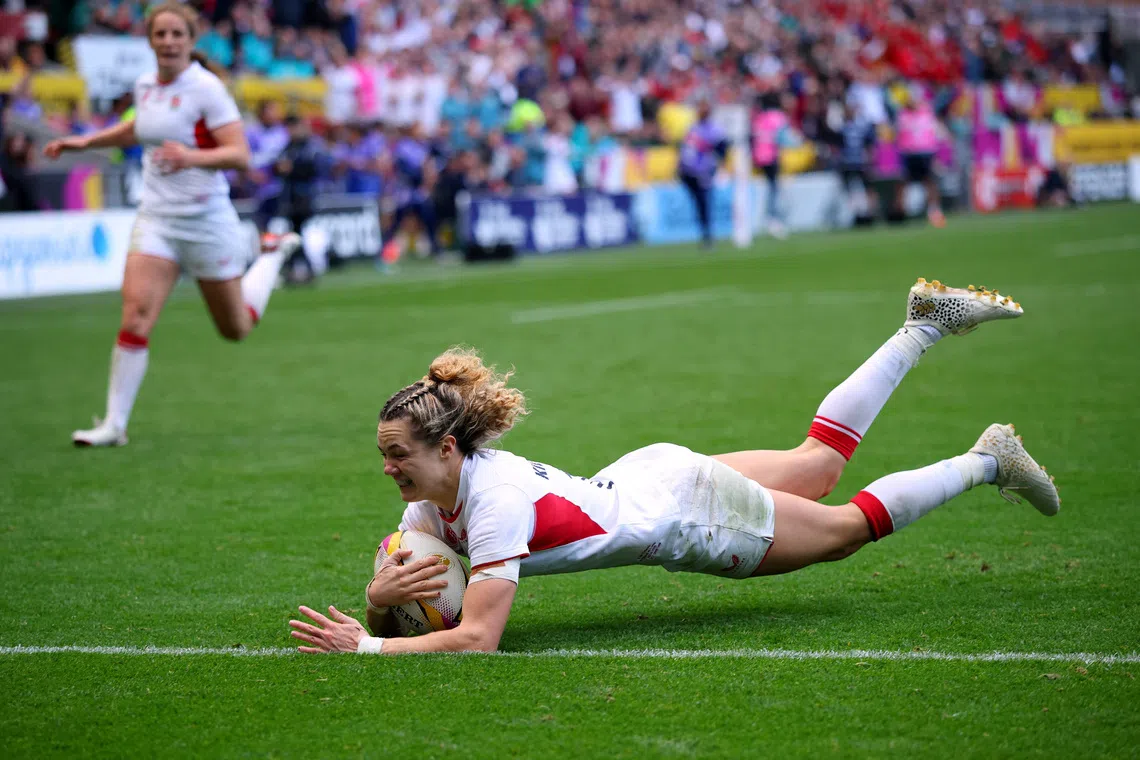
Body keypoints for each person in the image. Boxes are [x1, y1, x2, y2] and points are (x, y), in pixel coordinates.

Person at [289, 280, 1060, 655]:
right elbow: (415, 578)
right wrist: (376, 592)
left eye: (398, 454)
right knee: (816, 463)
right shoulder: (434, 500)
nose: (388, 468)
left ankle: (986, 461)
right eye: (384, 454)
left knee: (843, 530)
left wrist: (368, 645)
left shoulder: (488, 502)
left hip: (681, 516)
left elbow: (479, 636)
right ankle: (924, 325)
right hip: (652, 474)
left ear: (446, 449)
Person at [41, 1, 298, 447]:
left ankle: (271, 256)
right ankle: (114, 425)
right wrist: (86, 140)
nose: (168, 41)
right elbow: (139, 129)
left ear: (190, 40)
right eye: (160, 34)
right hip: (157, 218)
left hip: (205, 221)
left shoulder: (207, 89)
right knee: (136, 316)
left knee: (235, 328)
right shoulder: (145, 85)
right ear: (150, 39)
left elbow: (239, 155)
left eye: (176, 34)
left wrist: (190, 157)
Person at [677, 101, 727, 247]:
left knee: (704, 203)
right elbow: (685, 150)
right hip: (689, 171)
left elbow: (721, 149)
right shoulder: (693, 127)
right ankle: (705, 233)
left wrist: (718, 167)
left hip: (703, 171)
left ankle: (708, 235)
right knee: (699, 203)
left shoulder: (714, 129)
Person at [895, 91, 946, 228]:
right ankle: (900, 214)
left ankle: (934, 212)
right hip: (909, 153)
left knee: (929, 182)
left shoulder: (926, 113)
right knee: (903, 182)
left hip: (925, 152)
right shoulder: (903, 115)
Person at [752, 92, 793, 240]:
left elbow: (755, 136)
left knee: (770, 186)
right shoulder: (778, 117)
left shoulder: (759, 117)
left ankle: (769, 218)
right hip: (771, 156)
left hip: (759, 156)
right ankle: (772, 219)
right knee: (773, 187)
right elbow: (783, 138)